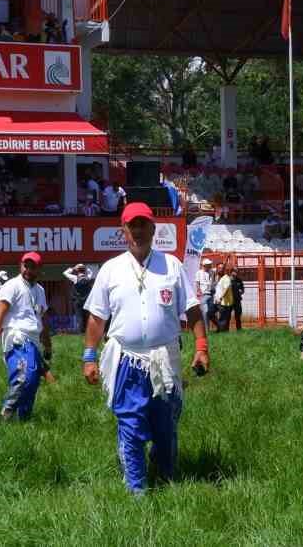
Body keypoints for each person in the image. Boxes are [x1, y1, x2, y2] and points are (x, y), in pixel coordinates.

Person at [82, 203, 210, 494]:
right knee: (131, 425)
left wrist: (201, 347)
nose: (138, 231)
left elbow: (192, 310)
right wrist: (89, 356)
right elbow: (97, 317)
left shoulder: (172, 266)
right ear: (123, 231)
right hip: (125, 360)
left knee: (165, 426)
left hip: (164, 358)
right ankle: (136, 491)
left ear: (153, 229)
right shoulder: (111, 269)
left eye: (143, 225)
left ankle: (165, 479)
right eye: (132, 225)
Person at [0, 252, 53, 421]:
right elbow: (0, 313)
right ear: (20, 265)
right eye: (25, 265)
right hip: (16, 338)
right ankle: (5, 416)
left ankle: (23, 420)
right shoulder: (11, 285)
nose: (28, 270)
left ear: (39, 269)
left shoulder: (40, 290)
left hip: (34, 341)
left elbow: (42, 319)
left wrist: (48, 345)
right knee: (24, 378)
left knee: (33, 383)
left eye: (33, 267)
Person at [65, 263, 95, 332]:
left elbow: (65, 273)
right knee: (87, 316)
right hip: (86, 301)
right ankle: (88, 329)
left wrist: (73, 268)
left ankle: (80, 330)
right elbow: (91, 272)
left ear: (77, 271)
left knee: (79, 316)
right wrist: (85, 268)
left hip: (77, 300)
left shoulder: (75, 278)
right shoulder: (88, 278)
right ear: (84, 271)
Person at [211, 266, 234, 332]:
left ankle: (221, 331)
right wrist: (216, 298)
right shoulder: (220, 278)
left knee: (223, 318)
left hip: (225, 303)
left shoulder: (226, 278)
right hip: (219, 301)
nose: (219, 270)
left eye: (221, 269)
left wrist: (220, 298)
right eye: (219, 269)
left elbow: (226, 289)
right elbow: (218, 290)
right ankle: (220, 328)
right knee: (210, 313)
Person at [195, 258, 217, 328]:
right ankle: (206, 329)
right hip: (204, 295)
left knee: (210, 312)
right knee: (205, 312)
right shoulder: (198, 273)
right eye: (208, 265)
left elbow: (220, 269)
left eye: (210, 264)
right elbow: (197, 283)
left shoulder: (212, 272)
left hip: (211, 294)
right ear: (204, 265)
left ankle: (219, 327)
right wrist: (199, 291)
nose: (210, 265)